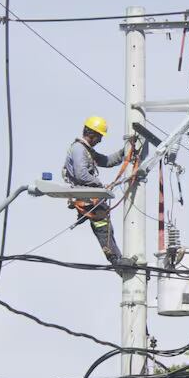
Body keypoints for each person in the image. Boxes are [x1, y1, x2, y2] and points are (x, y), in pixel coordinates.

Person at [63, 115, 131, 270]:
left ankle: (117, 259)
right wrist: (100, 185)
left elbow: (107, 161)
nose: (100, 140)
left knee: (104, 224)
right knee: (102, 225)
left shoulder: (87, 150)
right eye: (99, 137)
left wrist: (125, 151)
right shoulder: (78, 149)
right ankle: (116, 260)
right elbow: (81, 174)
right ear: (92, 134)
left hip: (89, 195)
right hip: (85, 195)